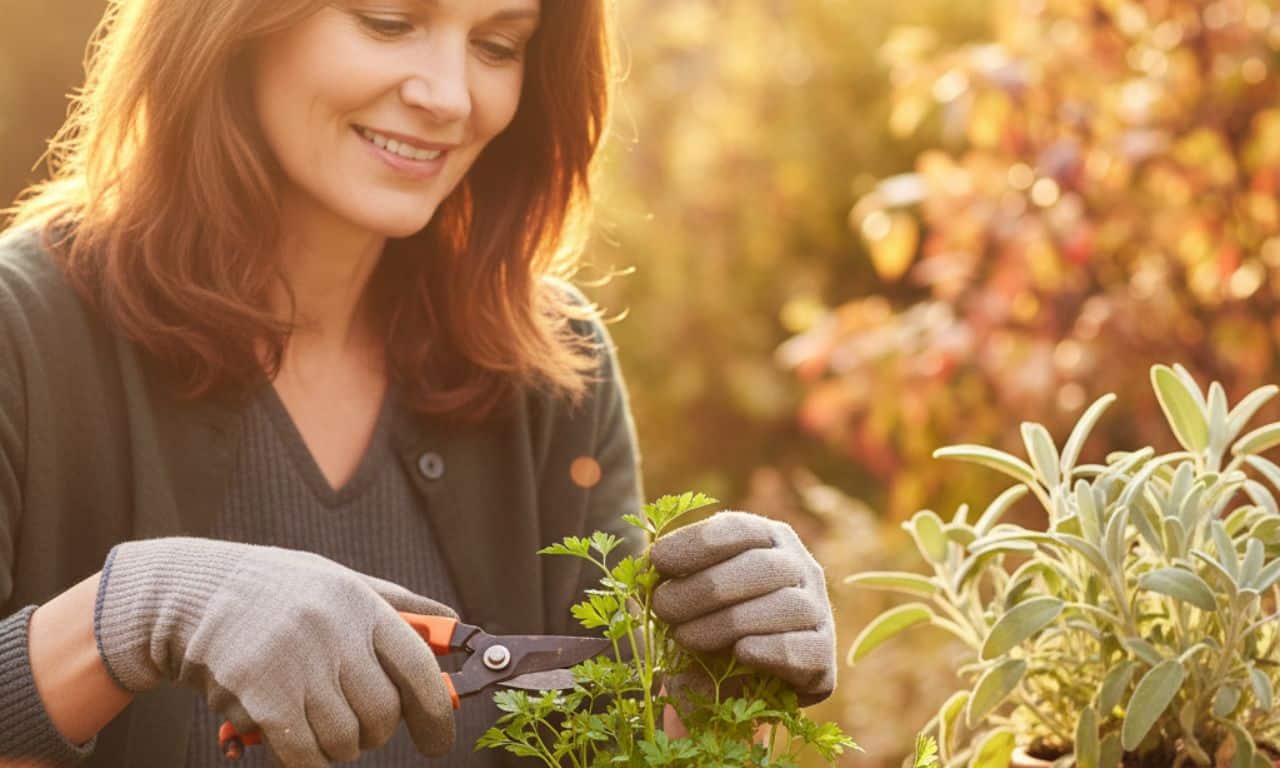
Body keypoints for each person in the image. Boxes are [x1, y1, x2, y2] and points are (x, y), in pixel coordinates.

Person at [0, 0, 838, 766]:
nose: (449, 95)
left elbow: (616, 738)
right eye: (388, 20)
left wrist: (717, 687)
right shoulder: (22, 330)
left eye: (498, 45)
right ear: (236, 23)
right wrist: (134, 614)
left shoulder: (552, 369)